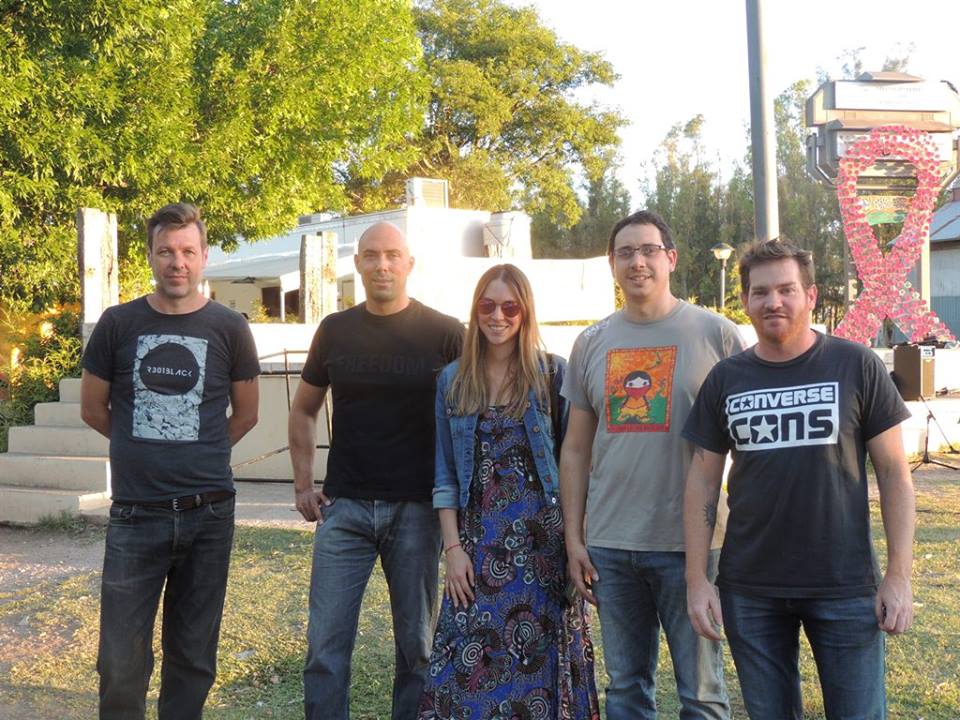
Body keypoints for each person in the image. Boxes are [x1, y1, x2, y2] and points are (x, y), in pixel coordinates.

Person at [682, 239, 915, 719]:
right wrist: (696, 580)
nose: (773, 302)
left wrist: (899, 576)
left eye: (786, 289)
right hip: (751, 588)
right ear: (745, 300)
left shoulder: (857, 365)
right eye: (760, 292)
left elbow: (894, 473)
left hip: (844, 584)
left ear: (810, 296)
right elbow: (702, 482)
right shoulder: (725, 379)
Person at [80, 202, 261, 720]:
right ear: (150, 256)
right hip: (136, 514)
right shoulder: (118, 324)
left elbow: (247, 414)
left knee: (193, 657)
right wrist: (144, 447)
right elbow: (93, 409)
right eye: (165, 251)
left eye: (187, 251)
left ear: (203, 257)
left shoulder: (229, 327)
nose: (177, 262)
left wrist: (201, 451)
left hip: (209, 513)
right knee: (120, 662)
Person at [560, 210, 741, 719]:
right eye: (625, 252)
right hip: (611, 546)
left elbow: (743, 445)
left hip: (692, 547)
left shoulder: (717, 335)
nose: (637, 261)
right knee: (625, 690)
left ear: (671, 258)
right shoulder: (591, 342)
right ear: (612, 264)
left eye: (648, 250)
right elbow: (575, 449)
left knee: (702, 693)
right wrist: (574, 539)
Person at [288, 221, 464, 720]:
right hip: (344, 508)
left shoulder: (446, 333)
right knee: (325, 647)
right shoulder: (335, 330)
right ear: (358, 264)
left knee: (418, 648)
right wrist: (302, 484)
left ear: (409, 264)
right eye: (371, 255)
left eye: (392, 255)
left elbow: (477, 410)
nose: (382, 265)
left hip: (418, 510)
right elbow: (303, 409)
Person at [419, 264, 601, 719]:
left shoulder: (552, 375)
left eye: (509, 307)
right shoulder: (453, 381)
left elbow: (577, 462)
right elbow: (445, 475)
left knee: (541, 661)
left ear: (525, 312)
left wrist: (575, 543)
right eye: (487, 305)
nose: (497, 316)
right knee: (466, 661)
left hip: (546, 546)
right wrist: (452, 550)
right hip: (478, 544)